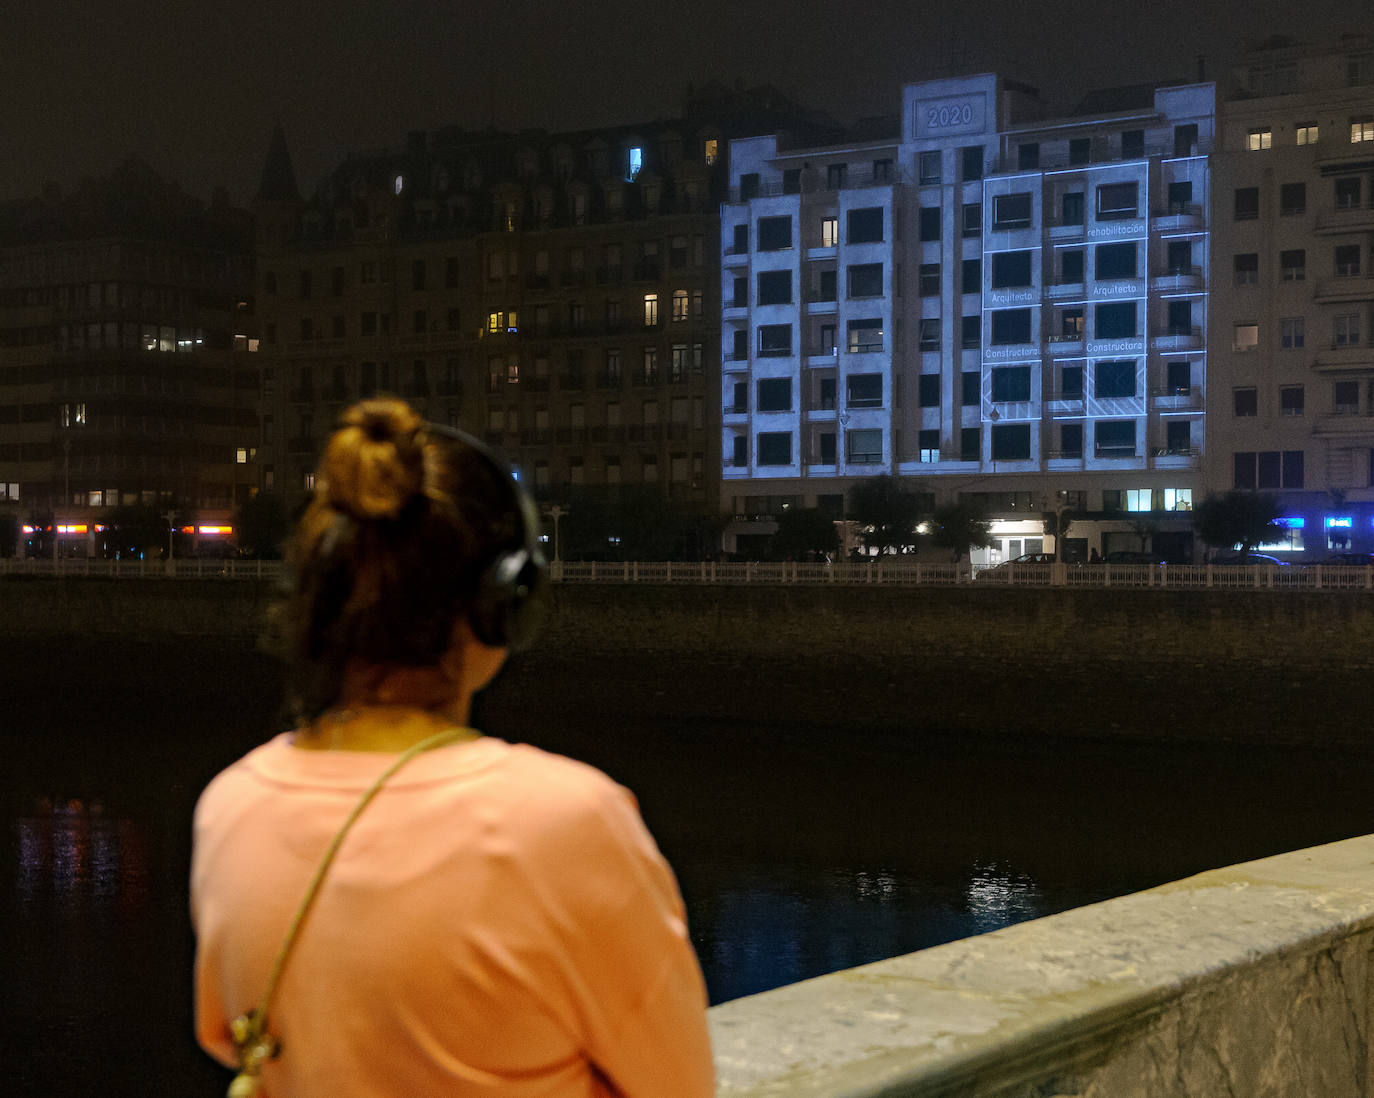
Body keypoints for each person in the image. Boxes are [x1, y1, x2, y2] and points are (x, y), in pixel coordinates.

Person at [191, 399, 713, 1097]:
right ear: (505, 599)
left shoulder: (230, 806)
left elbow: (231, 1036)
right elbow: (677, 1084)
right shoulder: (566, 822)